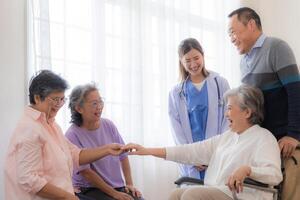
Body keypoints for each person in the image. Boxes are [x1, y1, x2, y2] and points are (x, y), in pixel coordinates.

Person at [123, 85, 282, 200]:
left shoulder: (264, 138)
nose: (226, 114)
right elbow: (190, 151)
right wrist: (147, 150)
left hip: (243, 196)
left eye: (229, 108)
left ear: (247, 112)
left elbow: (274, 175)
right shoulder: (227, 137)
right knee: (176, 194)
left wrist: (248, 170)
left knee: (192, 195)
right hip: (218, 192)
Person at [4, 70, 123, 200]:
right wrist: (68, 197)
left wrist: (107, 149)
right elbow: (29, 180)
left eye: (62, 99)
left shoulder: (51, 125)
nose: (59, 105)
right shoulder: (29, 129)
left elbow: (74, 155)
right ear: (37, 98)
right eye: (55, 99)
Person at [228, 7, 300, 199]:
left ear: (251, 24)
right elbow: (250, 106)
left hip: (286, 143)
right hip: (263, 144)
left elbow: (295, 93)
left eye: (233, 32)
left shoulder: (277, 48)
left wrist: (294, 135)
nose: (232, 38)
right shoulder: (244, 62)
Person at [65, 83, 143, 200]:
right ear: (79, 108)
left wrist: (129, 184)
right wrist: (114, 194)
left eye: (100, 101)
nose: (99, 107)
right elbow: (86, 172)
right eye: (94, 103)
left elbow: (123, 155)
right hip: (89, 189)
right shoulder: (72, 134)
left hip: (117, 186)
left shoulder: (108, 125)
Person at [168, 38, 230, 180]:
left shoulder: (220, 83)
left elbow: (228, 120)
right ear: (181, 62)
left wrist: (214, 152)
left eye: (196, 58)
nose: (193, 64)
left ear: (203, 56)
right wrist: (192, 156)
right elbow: (176, 129)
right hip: (191, 161)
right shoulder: (176, 92)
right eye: (187, 60)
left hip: (216, 155)